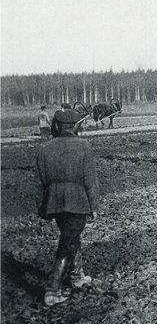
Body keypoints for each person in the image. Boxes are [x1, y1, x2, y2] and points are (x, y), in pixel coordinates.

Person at [36, 108, 98, 306]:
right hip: (77, 200)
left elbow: (42, 180)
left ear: (57, 126)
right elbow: (90, 180)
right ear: (75, 126)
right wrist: (94, 206)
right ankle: (52, 290)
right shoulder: (83, 146)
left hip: (54, 201)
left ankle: (77, 276)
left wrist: (44, 204)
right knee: (67, 242)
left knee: (71, 237)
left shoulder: (45, 148)